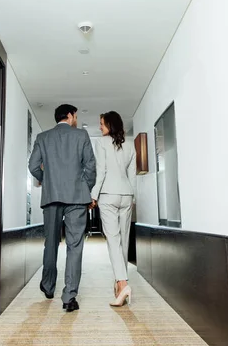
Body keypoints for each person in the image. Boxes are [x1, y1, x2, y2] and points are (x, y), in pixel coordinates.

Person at [28, 104, 96, 312]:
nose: (75, 119)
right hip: (76, 198)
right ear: (69, 115)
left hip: (51, 197)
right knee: (75, 245)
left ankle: (48, 287)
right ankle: (69, 297)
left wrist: (45, 180)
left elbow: (32, 166)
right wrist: (85, 188)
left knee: (51, 242)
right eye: (75, 115)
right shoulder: (81, 136)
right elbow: (91, 167)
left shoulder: (42, 137)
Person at [91, 111, 136, 307]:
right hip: (126, 194)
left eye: (101, 124)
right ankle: (120, 287)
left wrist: (93, 195)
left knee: (113, 240)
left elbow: (101, 171)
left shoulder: (101, 143)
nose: (100, 127)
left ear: (110, 124)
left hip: (108, 194)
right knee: (123, 241)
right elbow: (132, 174)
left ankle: (123, 283)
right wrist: (132, 195)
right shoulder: (130, 143)